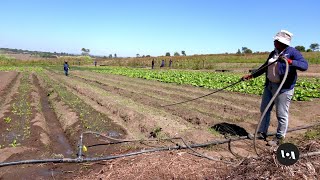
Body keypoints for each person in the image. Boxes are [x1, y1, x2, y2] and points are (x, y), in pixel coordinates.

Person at [242, 30, 308, 146]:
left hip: (283, 88)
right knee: (264, 109)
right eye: (275, 40)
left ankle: (279, 137)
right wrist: (252, 75)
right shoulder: (274, 53)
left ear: (283, 42)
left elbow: (304, 65)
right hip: (270, 86)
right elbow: (265, 67)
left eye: (276, 40)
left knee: (281, 113)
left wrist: (290, 61)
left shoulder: (292, 52)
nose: (274, 42)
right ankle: (262, 133)